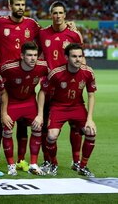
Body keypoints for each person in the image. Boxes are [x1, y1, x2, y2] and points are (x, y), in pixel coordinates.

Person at [0, 0, 41, 172]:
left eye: (22, 5)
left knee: (24, 126)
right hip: (4, 83)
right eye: (16, 4)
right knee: (3, 124)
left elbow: (45, 37)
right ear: (10, 5)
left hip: (24, 82)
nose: (20, 8)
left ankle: (21, 160)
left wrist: (69, 27)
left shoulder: (32, 25)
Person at [37, 1, 84, 172]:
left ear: (65, 15)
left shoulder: (73, 34)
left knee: (76, 127)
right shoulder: (42, 34)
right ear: (51, 15)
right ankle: (49, 160)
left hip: (71, 88)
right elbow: (35, 54)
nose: (57, 16)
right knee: (45, 128)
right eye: (54, 13)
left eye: (60, 13)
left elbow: (81, 59)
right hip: (50, 88)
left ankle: (76, 160)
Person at [43, 43, 96, 177]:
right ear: (66, 57)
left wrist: (90, 119)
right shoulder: (56, 73)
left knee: (91, 132)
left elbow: (91, 95)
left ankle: (83, 166)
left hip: (77, 106)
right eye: (74, 56)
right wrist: (39, 114)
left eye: (80, 56)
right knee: (51, 136)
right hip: (58, 107)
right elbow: (43, 92)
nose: (78, 59)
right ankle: (53, 163)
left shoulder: (88, 72)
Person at [0, 41, 48, 176]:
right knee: (7, 130)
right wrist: (2, 110)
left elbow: (57, 73)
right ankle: (11, 165)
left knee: (38, 127)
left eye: (35, 55)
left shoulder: (43, 66)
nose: (33, 58)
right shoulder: (8, 67)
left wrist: (40, 114)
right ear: (22, 56)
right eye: (29, 55)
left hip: (30, 101)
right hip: (12, 102)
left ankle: (33, 164)